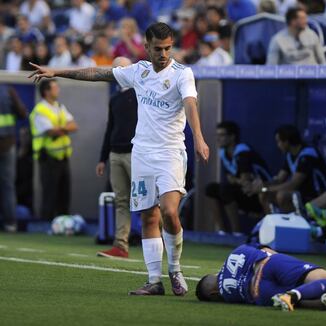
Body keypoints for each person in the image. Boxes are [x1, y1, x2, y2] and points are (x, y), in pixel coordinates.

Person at [29, 22, 209, 297]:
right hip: (142, 154)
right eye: (158, 49)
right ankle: (153, 281)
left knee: (170, 212)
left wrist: (198, 136)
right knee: (149, 216)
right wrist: (58, 72)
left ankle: (174, 268)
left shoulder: (183, 74)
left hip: (171, 152)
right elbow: (97, 73)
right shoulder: (138, 71)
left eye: (168, 48)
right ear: (146, 47)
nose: (163, 54)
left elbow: (190, 104)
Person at [196, 244, 326, 313]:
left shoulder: (228, 296)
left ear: (212, 293)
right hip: (270, 265)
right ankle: (296, 294)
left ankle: (299, 297)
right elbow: (266, 250)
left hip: (258, 292)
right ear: (213, 275)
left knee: (298, 301)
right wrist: (287, 263)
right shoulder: (234, 253)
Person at [96, 57, 137, 259]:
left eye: (122, 69)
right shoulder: (115, 98)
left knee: (147, 201)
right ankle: (121, 245)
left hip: (135, 153)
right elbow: (109, 128)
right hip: (116, 153)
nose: (118, 73)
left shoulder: (141, 93)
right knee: (122, 201)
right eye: (115, 70)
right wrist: (102, 158)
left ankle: (160, 240)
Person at [243, 125, 326, 213]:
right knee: (264, 195)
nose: (278, 145)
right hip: (303, 193)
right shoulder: (290, 155)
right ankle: (273, 223)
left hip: (318, 194)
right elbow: (279, 179)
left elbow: (292, 185)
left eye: (279, 142)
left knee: (282, 196)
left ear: (287, 141)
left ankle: (297, 223)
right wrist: (261, 185)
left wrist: (264, 188)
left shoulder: (307, 155)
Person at [206, 121, 270, 235]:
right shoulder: (223, 153)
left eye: (222, 135)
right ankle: (221, 231)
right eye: (217, 135)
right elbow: (232, 178)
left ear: (232, 137)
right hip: (244, 192)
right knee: (210, 189)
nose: (218, 138)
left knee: (226, 189)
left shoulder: (242, 152)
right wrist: (237, 180)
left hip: (259, 194)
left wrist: (237, 180)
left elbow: (245, 181)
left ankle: (236, 232)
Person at [29, 79, 79, 220]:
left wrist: (61, 129)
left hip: (63, 156)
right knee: (49, 193)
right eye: (55, 87)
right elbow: (51, 131)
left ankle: (62, 222)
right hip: (47, 157)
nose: (58, 90)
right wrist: (65, 128)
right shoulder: (40, 110)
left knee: (64, 192)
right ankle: (46, 223)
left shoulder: (59, 107)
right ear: (46, 92)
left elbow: (74, 126)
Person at [0, 85, 27, 232]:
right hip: (8, 144)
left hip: (7, 144)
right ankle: (10, 223)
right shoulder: (8, 91)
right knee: (8, 186)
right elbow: (23, 113)